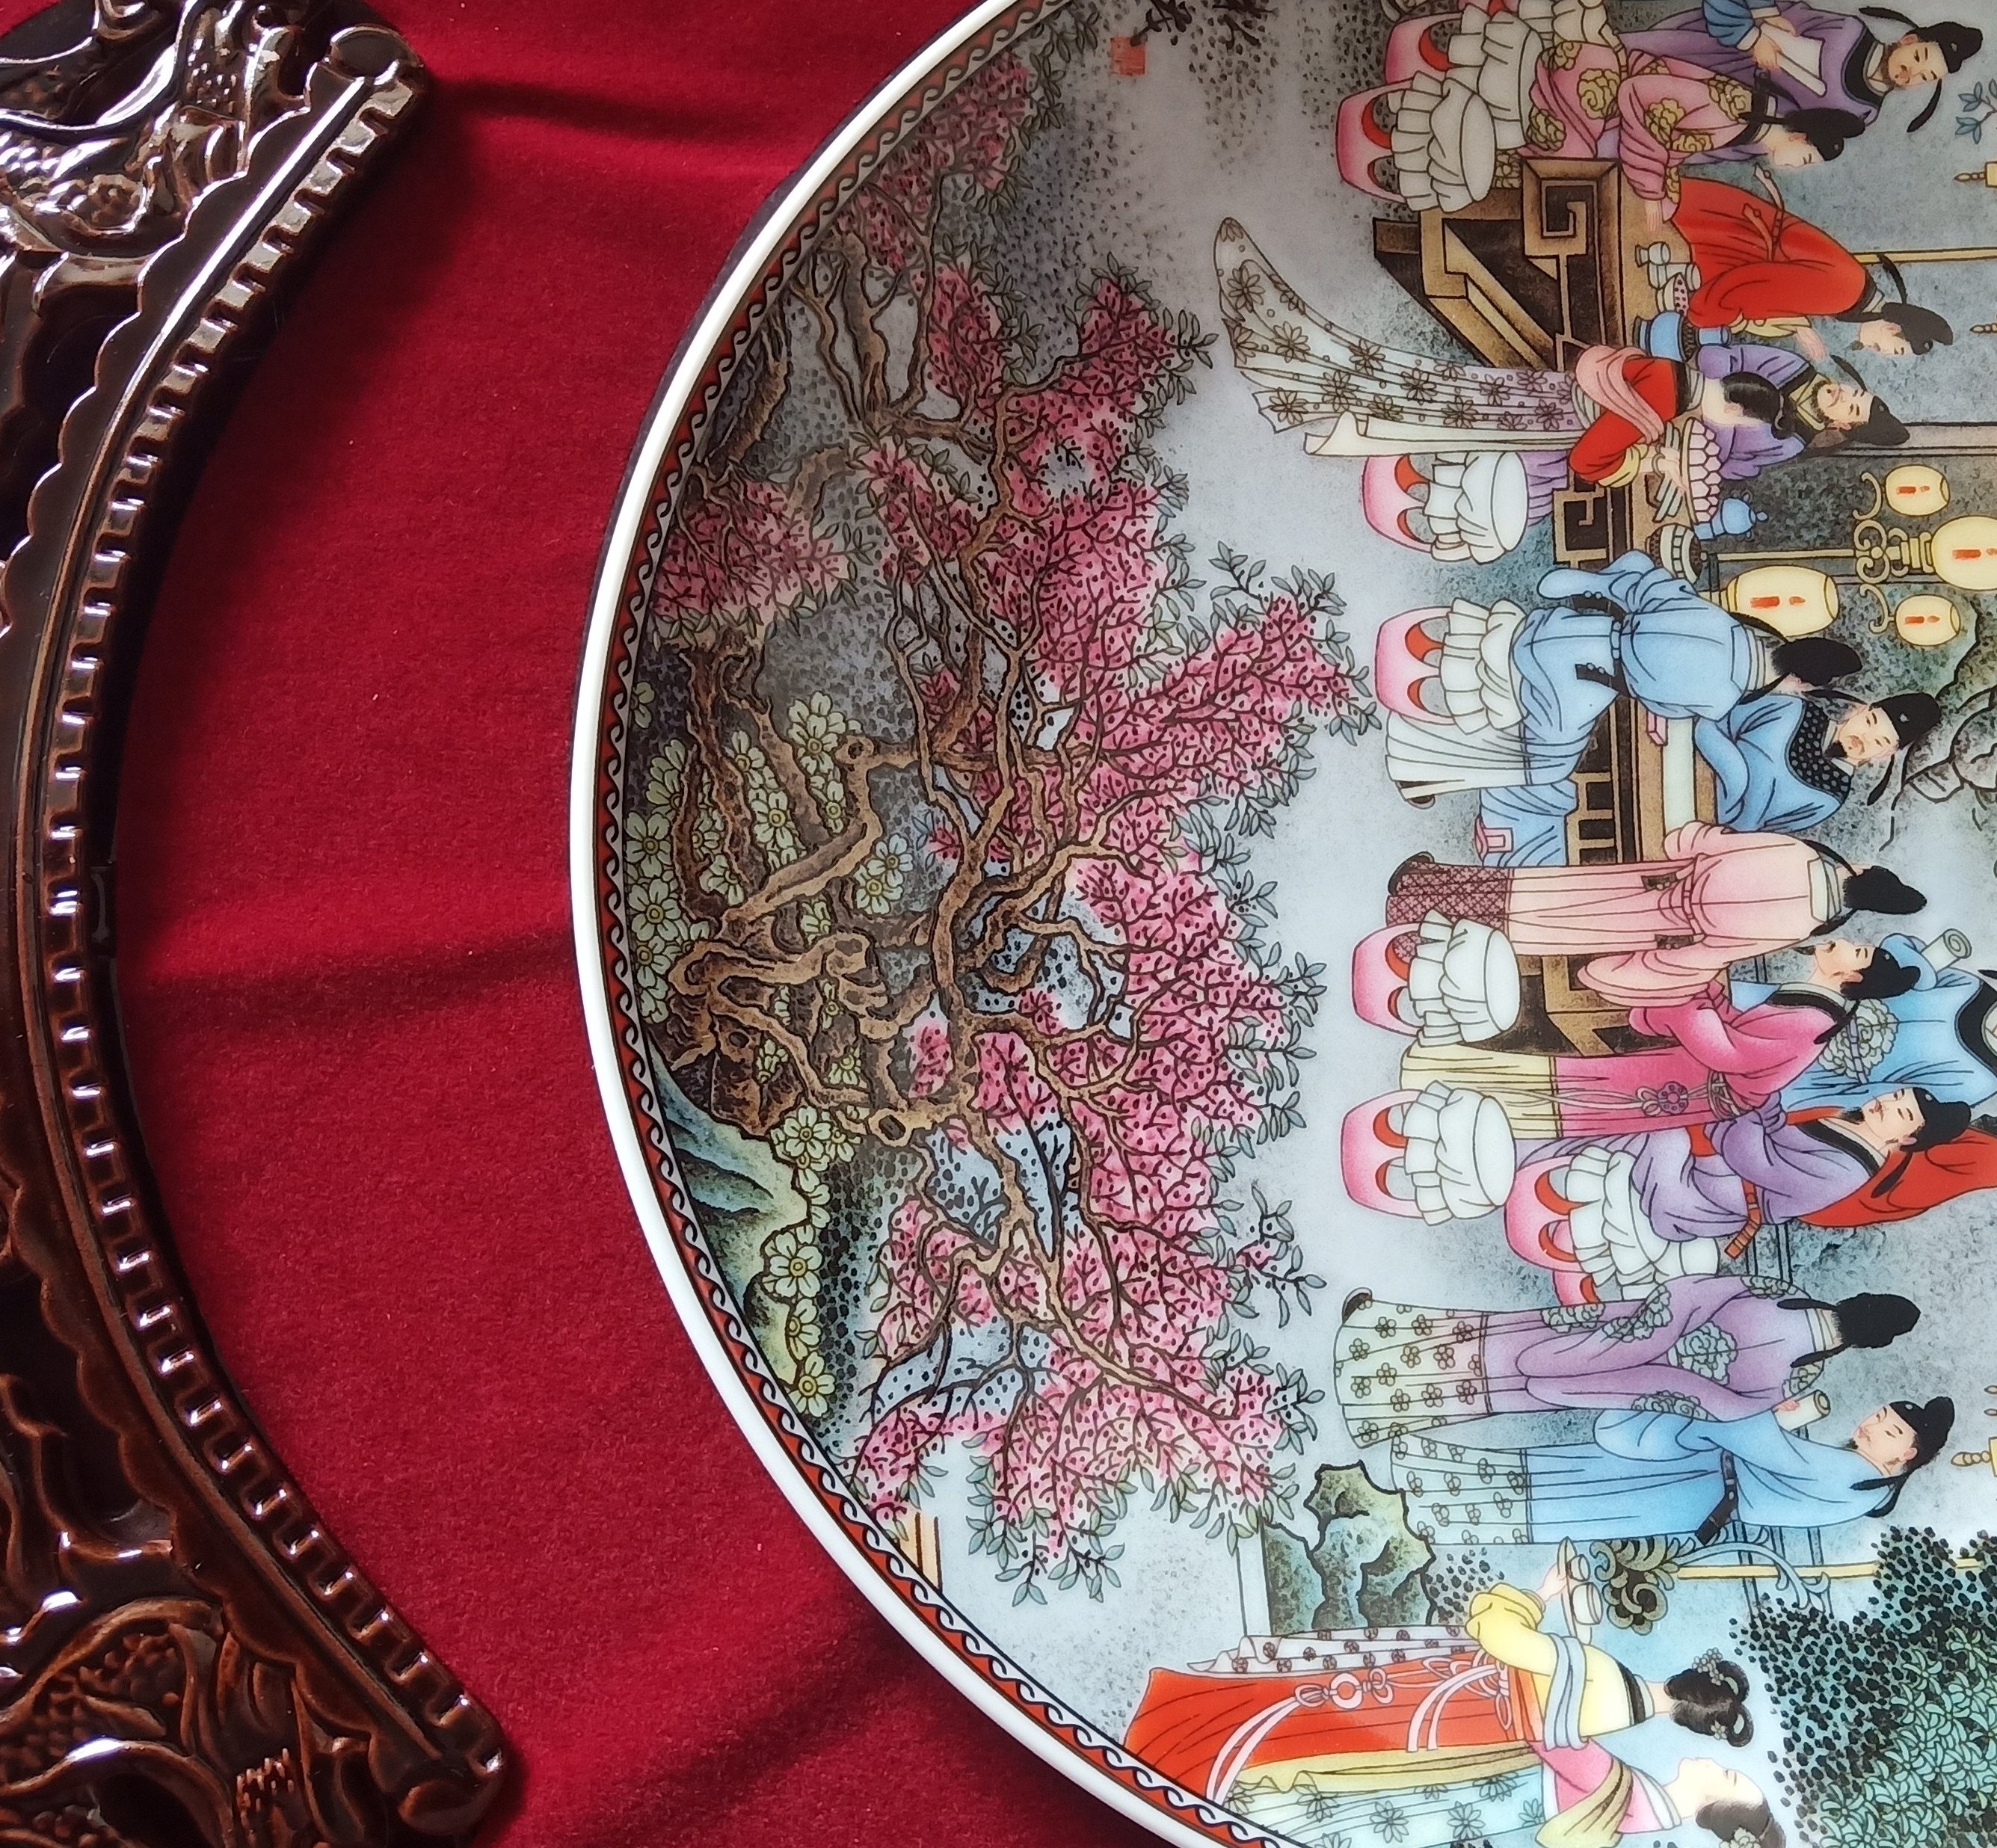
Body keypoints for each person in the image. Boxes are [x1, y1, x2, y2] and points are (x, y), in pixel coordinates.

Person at [1216, 227, 1903, 550]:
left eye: (1853, 409)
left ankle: (1318, 396)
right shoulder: (1774, 376)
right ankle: (1313, 390)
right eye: (1854, 393)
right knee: (1451, 407)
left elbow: (1722, 450)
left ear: (1844, 429)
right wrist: (1652, 453)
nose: (1844, 399)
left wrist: (1670, 450)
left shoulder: (1780, 437)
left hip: (1588, 412)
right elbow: (1607, 449)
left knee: (1449, 402)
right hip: (1575, 419)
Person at [1123, 1571, 1780, 1848]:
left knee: (1299, 1715)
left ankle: (1189, 1746)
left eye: (1727, 1776)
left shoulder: (1606, 1694)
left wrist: (1534, 1596)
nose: (1716, 1765)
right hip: (1457, 1751)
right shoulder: (1626, 1780)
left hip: (1446, 1711)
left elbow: (1494, 1632)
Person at [1373, 554, 1937, 865]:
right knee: (1550, 764)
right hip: (1649, 734)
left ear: (1885, 758)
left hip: (1690, 813)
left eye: (1880, 743)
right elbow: (1720, 722)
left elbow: (1750, 821)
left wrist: (1722, 755)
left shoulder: (1827, 796)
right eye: (1871, 722)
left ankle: (1432, 767)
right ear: (1860, 707)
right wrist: (1710, 739)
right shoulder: (1796, 710)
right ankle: (1428, 761)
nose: (1865, 738)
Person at [1333, 1276, 1917, 1447]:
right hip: (1641, 1377)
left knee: (1503, 1339)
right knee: (1513, 1388)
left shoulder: (1785, 1296)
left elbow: (1700, 1291)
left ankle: (1376, 1338)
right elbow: (1724, 1407)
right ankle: (1382, 1407)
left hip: (1630, 1337)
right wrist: (1669, 1379)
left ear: (1858, 1300)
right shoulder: (1802, 1371)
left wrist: (1653, 1331)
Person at [1381, 832, 1925, 1004]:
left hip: (1655, 881)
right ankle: (1417, 939)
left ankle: (1422, 889)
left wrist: (1688, 842)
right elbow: (1714, 952)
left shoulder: (1796, 851)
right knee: (1542, 928)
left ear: (1862, 869)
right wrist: (1650, 967)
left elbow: (1708, 844)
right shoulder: (1801, 927)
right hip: (1657, 925)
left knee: (1538, 889)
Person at [1388, 1395, 1955, 1545]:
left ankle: (1437, 1502)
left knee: (1574, 1493)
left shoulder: (1852, 1478)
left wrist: (1752, 1410)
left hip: (1698, 1488)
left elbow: (1775, 1453)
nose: (1871, 1424)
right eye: (1879, 1415)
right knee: (1570, 1480)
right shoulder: (1862, 1482)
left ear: (1907, 1454)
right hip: (1702, 1483)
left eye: (1889, 1430)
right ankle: (1435, 1488)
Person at [1657, 173, 1954, 356]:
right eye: (1896, 351)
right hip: (1727, 230)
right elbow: (1756, 285)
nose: (1885, 354)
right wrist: (1706, 313)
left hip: (1739, 240)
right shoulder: (1844, 295)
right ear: (1891, 327)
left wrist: (1798, 325)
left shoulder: (1855, 292)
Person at [1624, 1, 1981, 135]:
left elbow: (1787, 127)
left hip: (1727, 112)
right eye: (1918, 59)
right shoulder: (1849, 32)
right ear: (1908, 40)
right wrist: (1756, 35)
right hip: (1722, 54)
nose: (1911, 75)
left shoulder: (1864, 113)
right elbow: (1785, 17)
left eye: (1925, 78)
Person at [1741, 930, 1997, 1110]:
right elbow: (1895, 948)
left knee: (1747, 1089)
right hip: (1823, 1002)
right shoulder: (1971, 988)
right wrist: (1916, 969)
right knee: (1731, 1007)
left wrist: (1822, 1101)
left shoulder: (1981, 1081)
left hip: (1826, 1074)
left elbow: (1892, 1102)